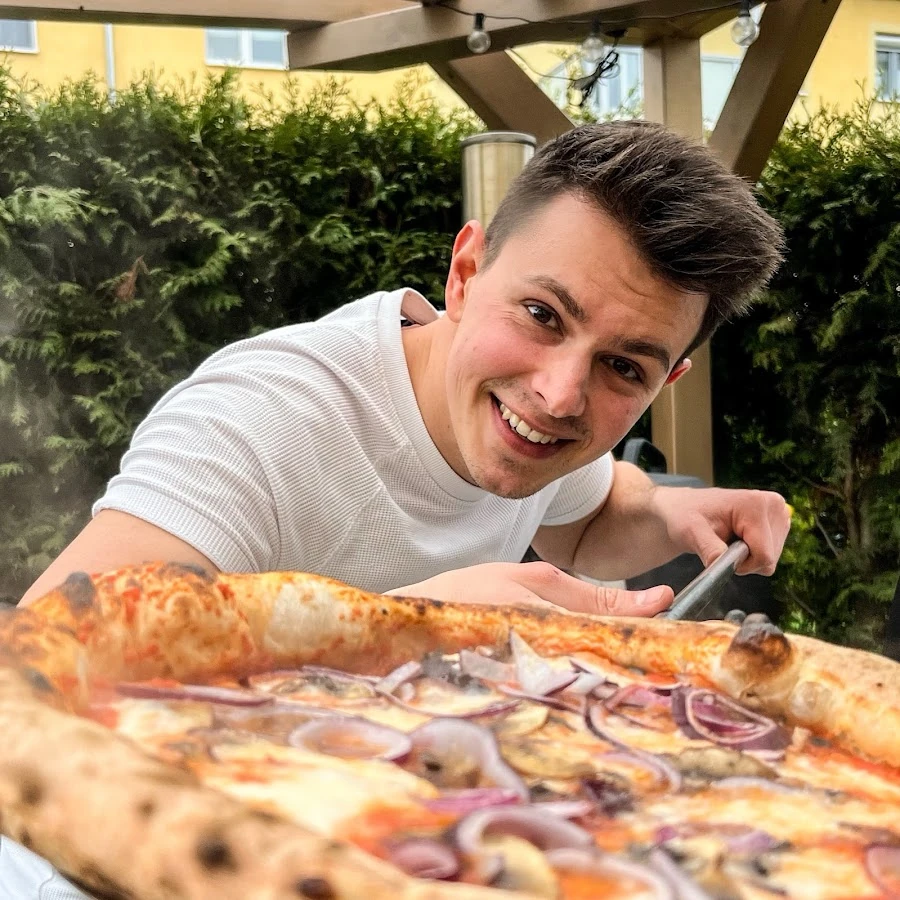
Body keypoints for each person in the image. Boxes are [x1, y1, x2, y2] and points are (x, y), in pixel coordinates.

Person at [20, 121, 790, 615]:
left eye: (622, 367)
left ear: (665, 382)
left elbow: (585, 519)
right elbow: (38, 672)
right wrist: (412, 627)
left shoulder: (534, 432)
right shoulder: (262, 416)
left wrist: (674, 514)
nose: (560, 396)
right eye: (541, 315)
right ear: (465, 274)